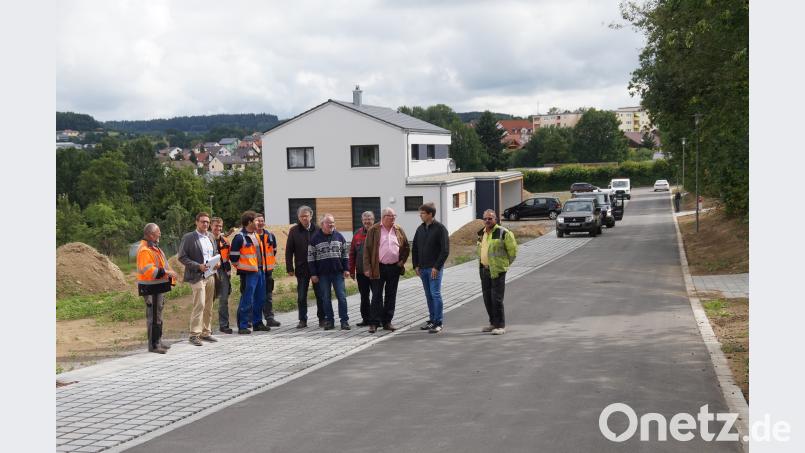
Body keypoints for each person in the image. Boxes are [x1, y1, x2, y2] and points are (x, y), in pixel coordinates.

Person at [362, 207, 410, 334]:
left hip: (394, 267)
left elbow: (406, 246)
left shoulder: (398, 229)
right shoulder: (374, 230)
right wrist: (367, 267)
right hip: (378, 267)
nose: (393, 218)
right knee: (376, 295)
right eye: (390, 216)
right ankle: (374, 323)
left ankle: (387, 321)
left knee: (391, 295)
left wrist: (402, 261)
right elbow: (367, 250)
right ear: (383, 217)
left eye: (394, 216)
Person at [179, 212, 220, 346]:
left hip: (210, 275)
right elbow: (182, 257)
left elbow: (214, 252)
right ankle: (194, 335)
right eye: (203, 221)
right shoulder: (189, 237)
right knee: (200, 304)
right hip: (197, 276)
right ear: (196, 222)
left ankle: (206, 332)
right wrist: (198, 266)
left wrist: (217, 262)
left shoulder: (211, 236)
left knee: (209, 305)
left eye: (207, 222)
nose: (205, 224)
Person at [136, 223, 177, 354]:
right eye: (157, 233)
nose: (160, 234)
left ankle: (158, 341)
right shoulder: (144, 250)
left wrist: (170, 275)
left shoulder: (154, 248)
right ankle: (153, 345)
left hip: (157, 288)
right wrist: (168, 272)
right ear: (150, 235)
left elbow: (163, 265)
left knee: (158, 315)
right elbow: (150, 272)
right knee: (153, 317)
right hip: (150, 289)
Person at [477, 209, 517, 335]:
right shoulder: (481, 233)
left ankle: (500, 326)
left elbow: (513, 252)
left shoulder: (503, 232)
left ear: (495, 219)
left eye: (490, 218)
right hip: (484, 270)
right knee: (487, 299)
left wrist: (504, 265)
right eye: (485, 219)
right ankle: (493, 323)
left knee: (496, 299)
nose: (487, 221)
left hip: (498, 271)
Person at [308, 213, 351, 330]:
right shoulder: (314, 239)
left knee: (342, 297)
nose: (331, 225)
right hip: (322, 274)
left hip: (338, 273)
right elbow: (311, 258)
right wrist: (313, 274)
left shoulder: (339, 236)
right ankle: (329, 321)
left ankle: (344, 321)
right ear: (322, 224)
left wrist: (346, 269)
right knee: (326, 298)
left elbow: (345, 254)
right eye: (328, 223)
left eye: (332, 222)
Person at [412, 202, 449, 334]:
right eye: (420, 213)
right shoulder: (420, 229)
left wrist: (437, 267)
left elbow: (445, 250)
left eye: (422, 213)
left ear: (430, 214)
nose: (420, 215)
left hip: (434, 269)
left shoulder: (440, 229)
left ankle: (438, 322)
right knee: (428, 295)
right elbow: (415, 248)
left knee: (435, 294)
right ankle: (432, 320)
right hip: (423, 269)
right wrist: (416, 265)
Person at [285, 205, 324, 328]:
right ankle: (302, 320)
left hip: (318, 269)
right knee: (302, 296)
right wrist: (289, 268)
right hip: (302, 268)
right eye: (301, 216)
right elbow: (289, 250)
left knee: (320, 295)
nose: (304, 218)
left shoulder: (318, 229)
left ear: (311, 216)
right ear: (298, 217)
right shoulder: (294, 231)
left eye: (306, 216)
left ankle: (322, 319)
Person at [230, 210, 267, 334]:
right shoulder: (239, 237)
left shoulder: (255, 235)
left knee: (260, 298)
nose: (259, 223)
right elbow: (233, 258)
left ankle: (257, 323)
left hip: (259, 271)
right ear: (250, 222)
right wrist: (243, 268)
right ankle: (243, 326)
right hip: (248, 274)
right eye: (256, 221)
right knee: (247, 299)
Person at [348, 211, 375, 327]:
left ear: (373, 220)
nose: (367, 221)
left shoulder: (378, 232)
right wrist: (351, 270)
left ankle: (377, 319)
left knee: (376, 296)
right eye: (365, 219)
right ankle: (366, 319)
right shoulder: (357, 233)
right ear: (362, 221)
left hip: (375, 272)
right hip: (361, 272)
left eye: (369, 219)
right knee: (364, 297)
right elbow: (352, 253)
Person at [255, 214, 281, 328]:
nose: (260, 223)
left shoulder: (270, 236)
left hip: (268, 271)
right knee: (255, 296)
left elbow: (273, 251)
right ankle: (254, 320)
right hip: (255, 271)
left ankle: (269, 318)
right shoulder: (251, 236)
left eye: (262, 221)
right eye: (258, 221)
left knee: (268, 296)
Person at [211, 217, 233, 334]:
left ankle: (224, 325)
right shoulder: (206, 240)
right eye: (216, 226)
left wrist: (229, 273)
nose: (218, 228)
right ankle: (205, 328)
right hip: (210, 273)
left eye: (220, 226)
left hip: (223, 272)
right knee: (208, 300)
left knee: (224, 299)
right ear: (211, 226)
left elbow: (228, 258)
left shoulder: (225, 241)